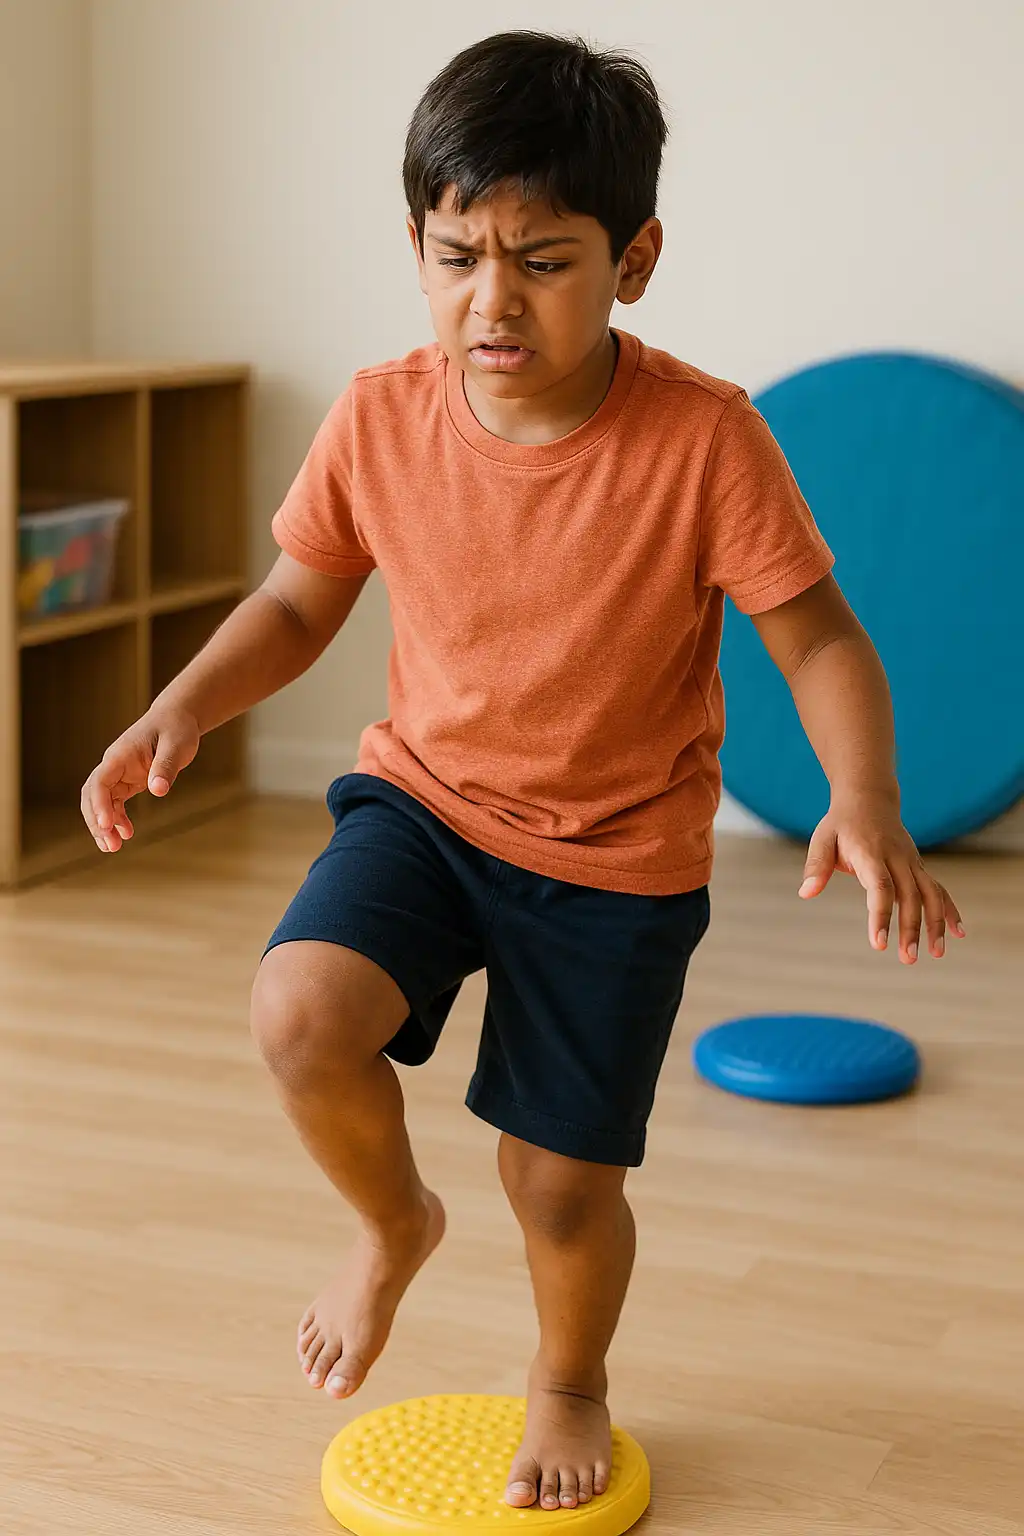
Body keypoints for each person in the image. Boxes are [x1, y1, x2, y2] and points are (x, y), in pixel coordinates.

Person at [81, 30, 965, 1515]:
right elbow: (300, 601)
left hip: (618, 857)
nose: (491, 301)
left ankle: (570, 1377)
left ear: (636, 258)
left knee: (558, 1183)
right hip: (424, 806)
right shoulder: (380, 414)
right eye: (455, 254)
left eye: (543, 260)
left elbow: (817, 641)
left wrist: (862, 800)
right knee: (300, 1011)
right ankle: (388, 1227)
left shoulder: (707, 441)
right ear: (419, 247)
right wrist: (179, 707)